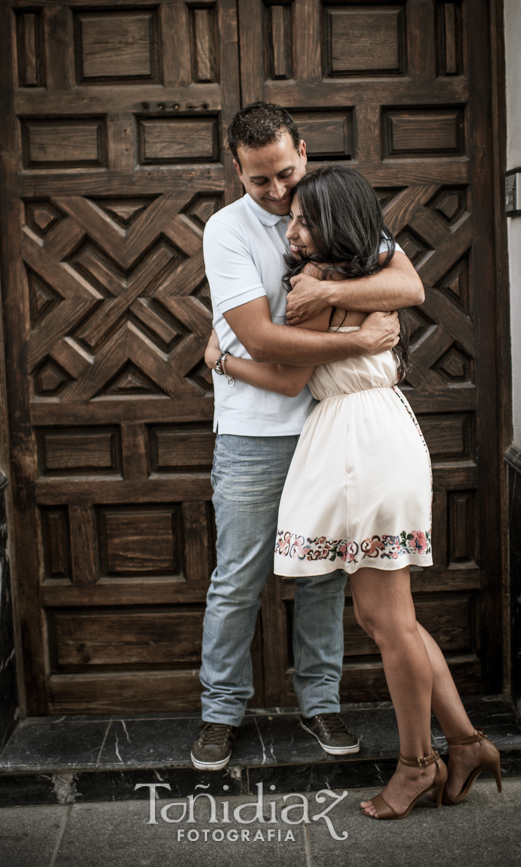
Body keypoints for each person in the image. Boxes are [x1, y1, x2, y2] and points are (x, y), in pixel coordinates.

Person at [205, 164, 502, 819]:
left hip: (362, 444)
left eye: (304, 220)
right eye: (291, 219)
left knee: (386, 620)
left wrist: (222, 359)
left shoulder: (319, 289)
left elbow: (285, 379)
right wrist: (354, 333)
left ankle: (415, 765)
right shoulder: (334, 282)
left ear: (332, 226)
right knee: (381, 616)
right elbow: (389, 297)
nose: (291, 229)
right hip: (363, 433)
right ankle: (466, 741)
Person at [192, 101, 424, 772]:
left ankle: (319, 703)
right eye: (258, 180)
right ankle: (219, 713)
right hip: (253, 430)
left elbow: (407, 283)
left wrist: (322, 301)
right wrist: (353, 334)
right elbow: (262, 336)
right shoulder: (227, 230)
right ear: (236, 170)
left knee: (323, 577)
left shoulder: (333, 206)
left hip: (333, 428)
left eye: (285, 174)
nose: (276, 193)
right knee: (237, 577)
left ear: (302, 149)